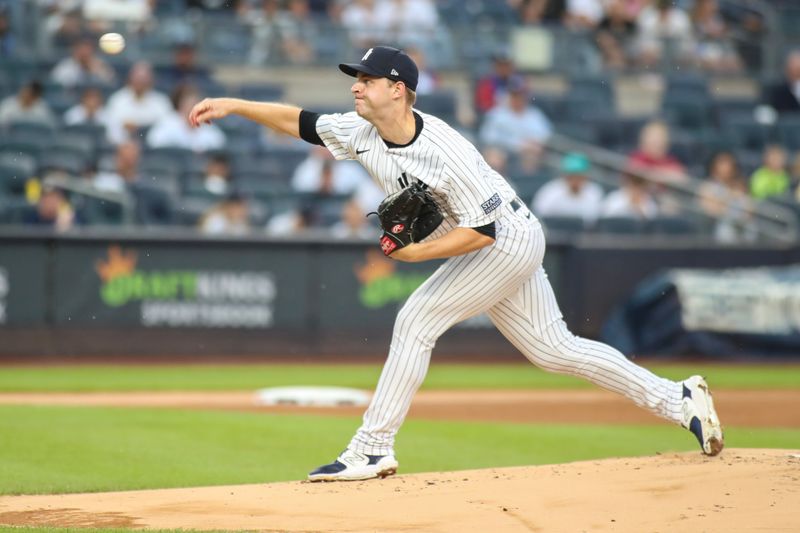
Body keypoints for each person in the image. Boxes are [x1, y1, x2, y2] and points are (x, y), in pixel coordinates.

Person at [188, 45, 724, 482]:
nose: (356, 85)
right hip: (499, 239)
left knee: (416, 319)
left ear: (397, 89)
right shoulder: (361, 132)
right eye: (356, 77)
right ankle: (679, 399)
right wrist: (235, 105)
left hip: (506, 238)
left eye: (368, 79)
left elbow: (482, 232)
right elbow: (302, 122)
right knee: (555, 349)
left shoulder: (446, 149)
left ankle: (372, 448)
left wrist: (418, 252)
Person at [105, 61, 173, 145]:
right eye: (137, 78)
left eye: (144, 79)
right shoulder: (117, 100)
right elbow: (111, 128)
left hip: (153, 149)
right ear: (130, 78)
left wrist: (145, 129)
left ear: (151, 80)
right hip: (124, 146)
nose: (140, 82)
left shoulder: (161, 102)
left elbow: (168, 127)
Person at [146, 85, 226, 152]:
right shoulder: (167, 122)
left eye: (195, 104)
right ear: (181, 106)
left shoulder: (209, 128)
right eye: (188, 104)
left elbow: (219, 145)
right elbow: (154, 142)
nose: (192, 108)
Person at [531, 152, 604, 225]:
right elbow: (538, 218)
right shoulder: (550, 192)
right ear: (564, 175)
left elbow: (597, 222)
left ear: (586, 176)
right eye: (571, 176)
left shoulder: (594, 193)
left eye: (579, 176)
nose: (575, 181)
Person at [50, 35, 116, 89]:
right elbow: (57, 85)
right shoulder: (65, 66)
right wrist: (80, 68)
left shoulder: (100, 64)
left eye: (88, 49)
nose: (84, 52)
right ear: (75, 50)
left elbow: (111, 84)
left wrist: (97, 71)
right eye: (81, 49)